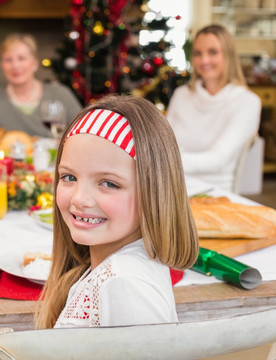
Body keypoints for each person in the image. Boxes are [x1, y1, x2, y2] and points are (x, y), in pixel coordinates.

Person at [35, 94, 199, 329]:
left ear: (154, 191)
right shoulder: (111, 271)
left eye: (109, 183)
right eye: (69, 177)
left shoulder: (124, 285)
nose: (79, 199)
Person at [166, 24, 261, 192]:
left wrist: (162, 161)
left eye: (213, 52)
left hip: (214, 193)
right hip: (172, 187)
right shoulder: (182, 95)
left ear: (228, 56)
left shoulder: (247, 102)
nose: (204, 60)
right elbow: (164, 143)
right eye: (198, 53)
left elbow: (219, 159)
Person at [0, 33, 82, 138]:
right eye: (8, 60)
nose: (15, 66)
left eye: (22, 58)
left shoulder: (61, 94)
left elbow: (82, 133)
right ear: (2, 65)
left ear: (35, 63)